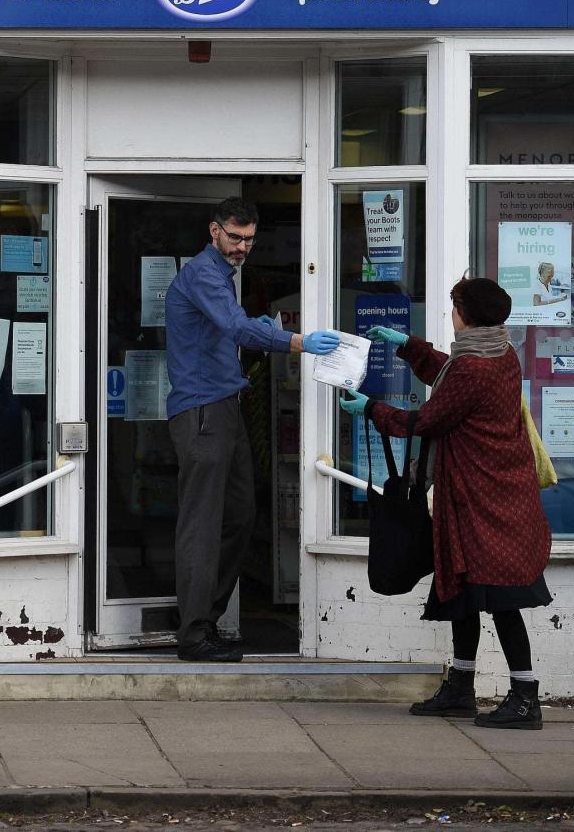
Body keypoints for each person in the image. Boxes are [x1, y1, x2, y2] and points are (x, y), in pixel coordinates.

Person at [340, 276, 552, 729]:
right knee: (464, 591)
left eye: (454, 307)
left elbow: (429, 417)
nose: (451, 315)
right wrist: (408, 345)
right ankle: (461, 686)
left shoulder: (475, 367)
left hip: (485, 498)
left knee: (500, 597)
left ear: (466, 316)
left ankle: (525, 696)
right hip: (484, 494)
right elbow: (447, 373)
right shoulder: (499, 351)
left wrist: (371, 409)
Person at [165, 198, 340, 662]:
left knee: (239, 517)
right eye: (235, 237)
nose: (242, 247)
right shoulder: (204, 274)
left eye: (249, 239)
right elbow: (235, 327)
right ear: (214, 231)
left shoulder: (222, 276)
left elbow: (230, 331)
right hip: (203, 412)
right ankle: (194, 634)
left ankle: (200, 617)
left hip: (225, 406)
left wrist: (256, 329)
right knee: (204, 525)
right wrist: (296, 341)